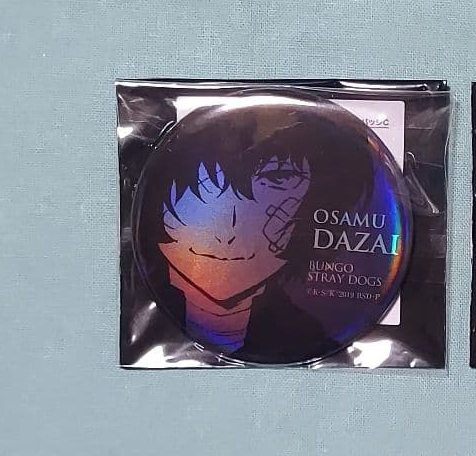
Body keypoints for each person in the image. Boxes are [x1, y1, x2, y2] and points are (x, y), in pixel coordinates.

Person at [135, 99, 376, 363]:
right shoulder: (146, 317)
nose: (228, 231)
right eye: (203, 191)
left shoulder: (309, 333)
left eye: (277, 180)